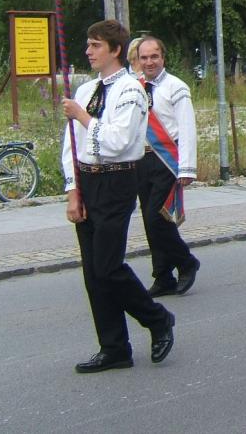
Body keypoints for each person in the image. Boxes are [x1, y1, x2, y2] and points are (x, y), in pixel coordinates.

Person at [61, 20, 175, 373]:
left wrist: (82, 117)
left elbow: (119, 142)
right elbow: (72, 145)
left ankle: (157, 319)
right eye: (87, 44)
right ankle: (113, 347)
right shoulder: (86, 90)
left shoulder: (130, 90)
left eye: (95, 45)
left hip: (118, 180)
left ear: (114, 50)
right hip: (89, 181)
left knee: (108, 265)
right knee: (93, 271)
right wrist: (72, 190)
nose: (88, 51)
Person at [134, 36, 199, 298]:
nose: (149, 62)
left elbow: (186, 126)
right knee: (150, 222)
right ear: (138, 60)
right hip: (140, 160)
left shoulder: (176, 86)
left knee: (157, 217)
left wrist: (186, 168)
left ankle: (186, 262)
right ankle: (163, 276)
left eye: (154, 57)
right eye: (144, 57)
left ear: (163, 58)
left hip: (166, 159)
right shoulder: (133, 87)